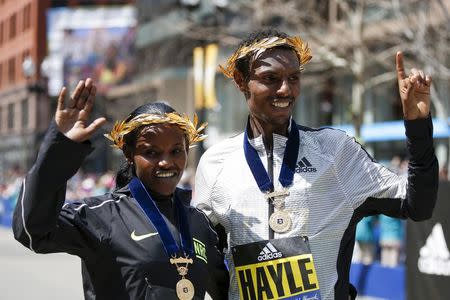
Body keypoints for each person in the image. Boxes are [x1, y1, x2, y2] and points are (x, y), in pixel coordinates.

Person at [192, 29, 438, 300]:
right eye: (270, 78)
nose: (285, 89)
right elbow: (205, 264)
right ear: (241, 81)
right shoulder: (215, 164)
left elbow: (418, 204)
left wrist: (417, 126)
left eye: (293, 78)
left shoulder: (335, 152)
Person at [13, 78, 228, 300]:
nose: (166, 162)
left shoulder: (198, 222)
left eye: (176, 151)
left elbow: (227, 289)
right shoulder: (103, 216)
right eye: (151, 152)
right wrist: (59, 150)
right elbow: (32, 231)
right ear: (128, 154)